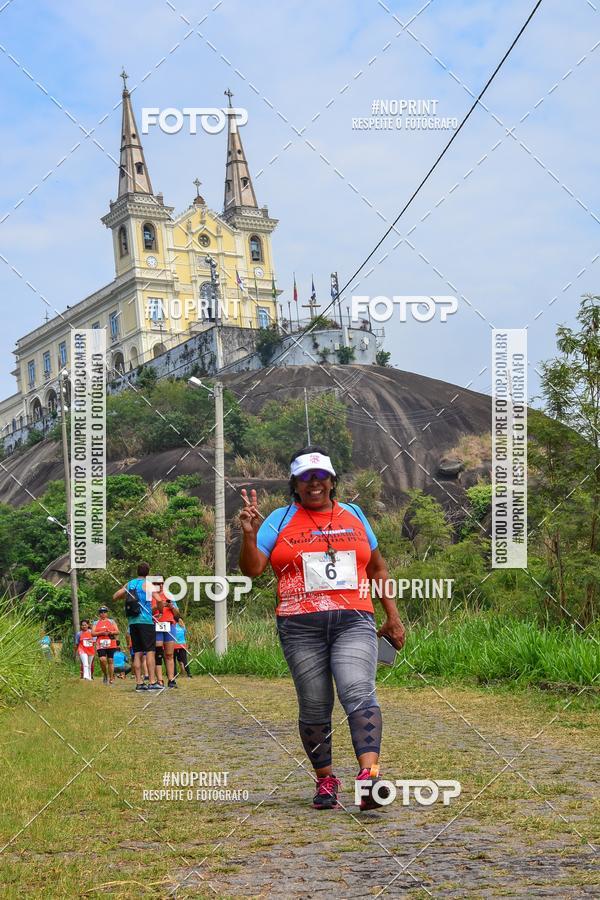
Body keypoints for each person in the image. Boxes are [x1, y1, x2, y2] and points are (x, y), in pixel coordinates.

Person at [239, 445, 405, 811]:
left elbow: (377, 568)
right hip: (300, 626)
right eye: (305, 478)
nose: (314, 483)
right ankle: (326, 779)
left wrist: (391, 615)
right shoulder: (278, 521)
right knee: (315, 704)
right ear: (295, 485)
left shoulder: (355, 514)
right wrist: (250, 535)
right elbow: (252, 570)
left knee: (358, 690)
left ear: (332, 481)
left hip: (354, 619)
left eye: (320, 476)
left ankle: (369, 776)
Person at [112, 562, 162, 692]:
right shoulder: (148, 585)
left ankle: (139, 683)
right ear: (148, 572)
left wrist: (126, 595)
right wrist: (160, 611)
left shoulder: (130, 584)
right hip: (146, 622)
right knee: (150, 651)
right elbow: (160, 600)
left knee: (138, 652)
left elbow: (115, 596)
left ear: (137, 572)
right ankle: (151, 682)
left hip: (133, 622)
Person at [151, 576, 179, 688]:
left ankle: (171, 679)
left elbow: (178, 615)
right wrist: (158, 606)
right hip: (156, 624)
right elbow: (147, 612)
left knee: (169, 654)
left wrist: (172, 607)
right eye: (158, 583)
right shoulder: (150, 596)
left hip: (169, 625)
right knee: (157, 653)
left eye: (162, 583)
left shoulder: (170, 595)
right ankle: (159, 680)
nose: (161, 585)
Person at [92, 607, 119, 685]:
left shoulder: (111, 621)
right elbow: (93, 633)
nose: (103, 613)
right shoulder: (95, 623)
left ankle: (111, 679)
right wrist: (101, 633)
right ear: (99, 614)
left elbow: (117, 631)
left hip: (111, 642)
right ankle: (105, 674)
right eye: (101, 612)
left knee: (110, 660)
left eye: (104, 612)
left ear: (107, 613)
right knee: (102, 659)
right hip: (101, 643)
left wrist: (110, 632)